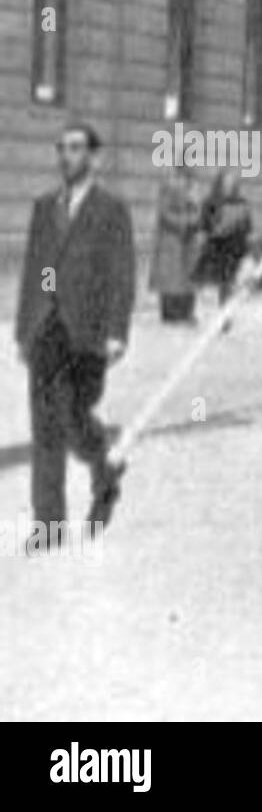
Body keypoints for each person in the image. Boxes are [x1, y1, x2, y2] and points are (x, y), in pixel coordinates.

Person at [15, 123, 133, 541]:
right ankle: (48, 525)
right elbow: (40, 268)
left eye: (76, 148)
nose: (66, 156)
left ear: (94, 158)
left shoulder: (111, 209)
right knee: (44, 426)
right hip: (47, 328)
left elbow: (121, 273)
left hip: (87, 331)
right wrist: (27, 323)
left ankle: (104, 460)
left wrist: (118, 330)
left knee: (72, 420)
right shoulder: (45, 207)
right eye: (61, 148)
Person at [195, 170, 251, 324]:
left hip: (234, 248)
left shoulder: (241, 202)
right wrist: (205, 234)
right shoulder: (210, 201)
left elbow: (247, 226)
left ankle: (225, 316)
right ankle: (214, 313)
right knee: (213, 282)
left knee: (228, 283)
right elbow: (204, 223)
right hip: (215, 247)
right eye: (226, 181)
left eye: (232, 182)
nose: (229, 185)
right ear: (219, 183)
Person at [149, 166, 201, 323]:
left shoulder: (194, 186)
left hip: (189, 238)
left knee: (190, 276)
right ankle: (170, 313)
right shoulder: (168, 183)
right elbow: (164, 211)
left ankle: (187, 312)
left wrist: (193, 221)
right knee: (170, 277)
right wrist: (181, 224)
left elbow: (198, 209)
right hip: (171, 237)